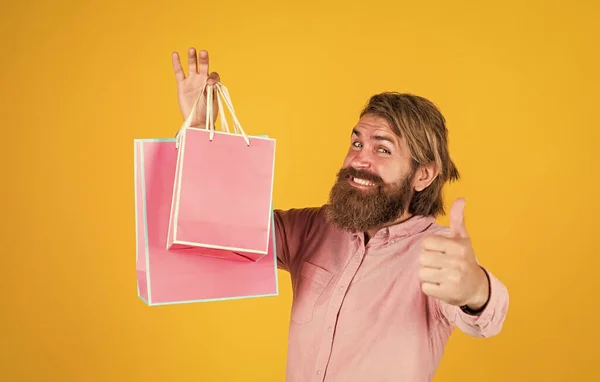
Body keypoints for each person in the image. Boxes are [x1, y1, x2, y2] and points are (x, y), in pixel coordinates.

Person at [172, 48, 509, 382]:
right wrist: (201, 130)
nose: (360, 159)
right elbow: (226, 226)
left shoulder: (439, 253)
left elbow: (486, 318)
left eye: (382, 148)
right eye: (357, 143)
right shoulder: (313, 227)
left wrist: (476, 292)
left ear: (423, 175)